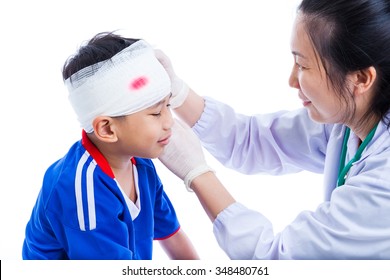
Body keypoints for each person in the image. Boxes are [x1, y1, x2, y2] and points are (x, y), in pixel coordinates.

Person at [157, 0, 390, 259]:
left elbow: (276, 261)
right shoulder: (348, 120)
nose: (292, 81)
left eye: (303, 66)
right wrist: (176, 92)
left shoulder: (383, 184)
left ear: (360, 79)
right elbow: (253, 141)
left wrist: (198, 174)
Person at [22, 32, 199, 260]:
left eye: (168, 105)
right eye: (155, 113)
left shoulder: (140, 164)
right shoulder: (82, 190)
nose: (169, 122)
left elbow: (171, 235)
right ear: (106, 129)